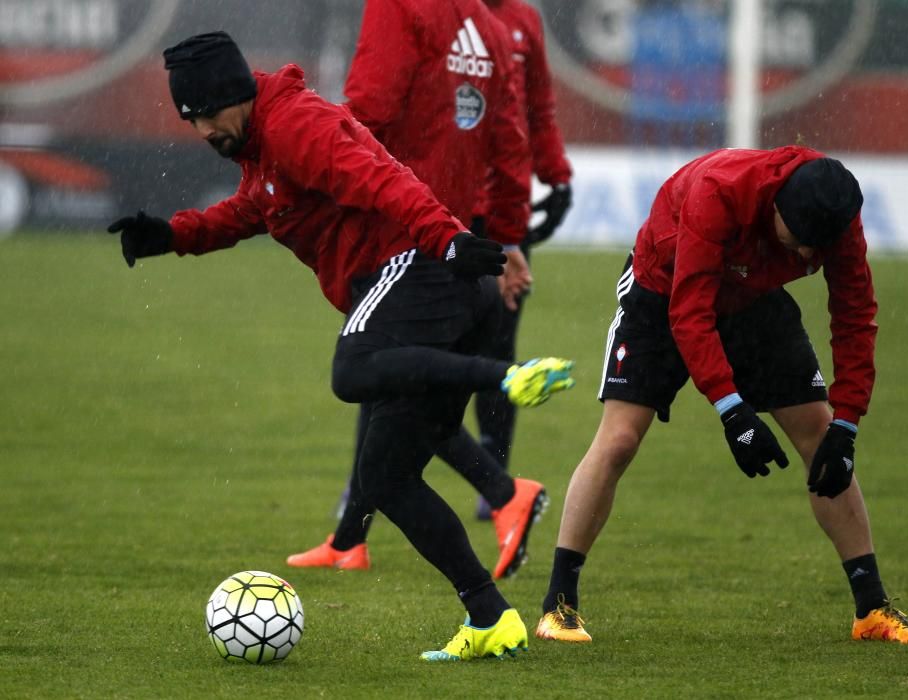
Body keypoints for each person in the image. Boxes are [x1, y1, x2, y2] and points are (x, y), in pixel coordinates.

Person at [106, 31, 575, 661]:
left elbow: (381, 177)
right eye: (191, 122)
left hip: (419, 273)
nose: (202, 132)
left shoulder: (294, 124)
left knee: (352, 367)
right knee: (384, 476)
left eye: (204, 117)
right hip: (434, 293)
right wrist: (171, 235)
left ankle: (504, 377)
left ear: (229, 97)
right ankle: (491, 618)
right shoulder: (262, 148)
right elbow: (250, 211)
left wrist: (447, 239)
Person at [534, 146, 908, 645]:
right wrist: (733, 412)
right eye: (800, 242)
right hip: (663, 293)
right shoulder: (718, 193)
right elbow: (690, 313)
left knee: (821, 433)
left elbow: (854, 317)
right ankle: (558, 606)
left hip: (753, 300)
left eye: (818, 247)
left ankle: (872, 610)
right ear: (775, 209)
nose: (809, 256)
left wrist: (848, 422)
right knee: (618, 440)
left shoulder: (836, 218)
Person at [286, 0, 569, 580]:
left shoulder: (417, 9)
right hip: (458, 232)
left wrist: (315, 160)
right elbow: (511, 133)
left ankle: (500, 489)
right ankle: (354, 534)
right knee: (405, 385)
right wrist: (510, 235)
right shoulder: (490, 26)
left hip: (414, 232)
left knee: (385, 372)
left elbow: (367, 114)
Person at [469, 0, 574, 520]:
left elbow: (537, 107)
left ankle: (494, 474)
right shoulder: (437, 13)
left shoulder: (523, 19)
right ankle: (368, 484)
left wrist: (556, 175)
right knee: (411, 338)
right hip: (444, 203)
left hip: (505, 215)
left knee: (499, 340)